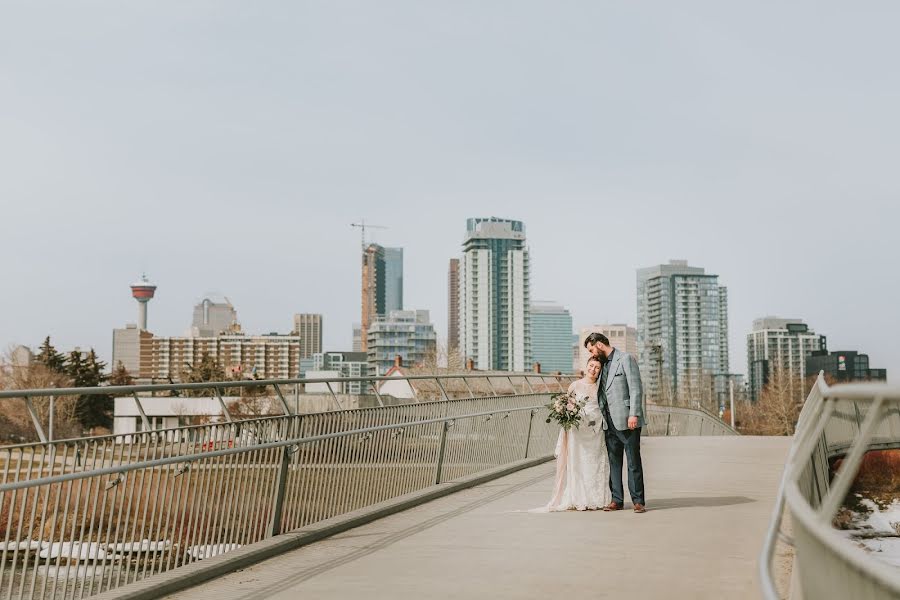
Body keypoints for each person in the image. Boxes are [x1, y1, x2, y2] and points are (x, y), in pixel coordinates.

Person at [584, 332, 647, 513]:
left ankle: (638, 501)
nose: (592, 354)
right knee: (614, 462)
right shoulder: (602, 365)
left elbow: (636, 388)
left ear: (600, 345)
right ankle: (616, 500)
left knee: (633, 461)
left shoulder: (626, 359)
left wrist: (634, 414)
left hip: (628, 420)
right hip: (608, 421)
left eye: (592, 349)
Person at [543, 355, 611, 511]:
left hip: (595, 431)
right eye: (591, 366)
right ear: (586, 366)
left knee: (595, 462)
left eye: (597, 368)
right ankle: (578, 497)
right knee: (577, 462)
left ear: (600, 371)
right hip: (577, 431)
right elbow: (568, 404)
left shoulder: (601, 387)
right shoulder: (575, 385)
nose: (593, 370)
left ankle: (597, 498)